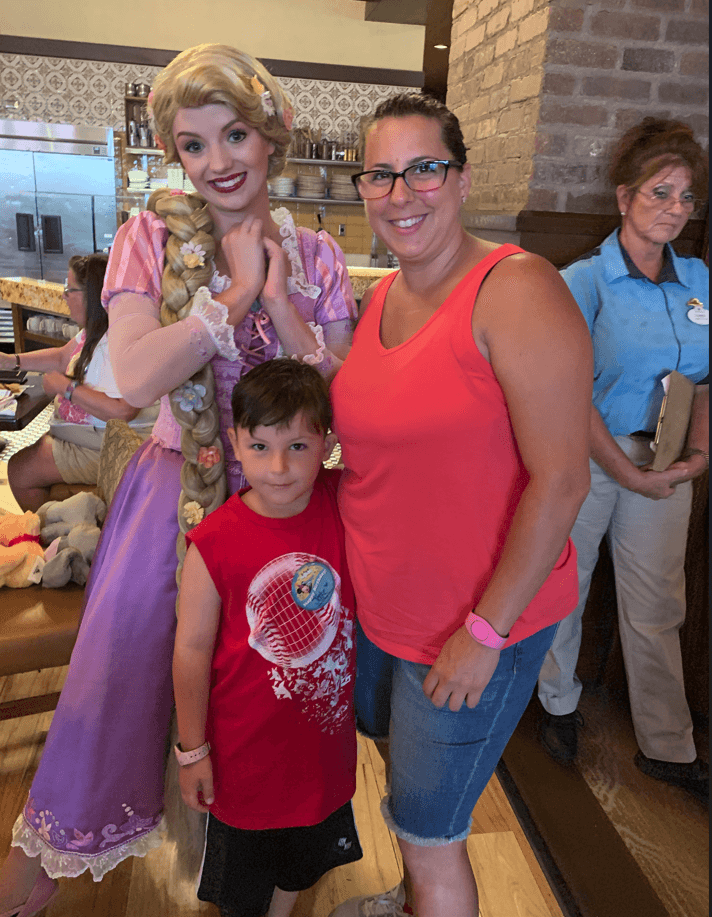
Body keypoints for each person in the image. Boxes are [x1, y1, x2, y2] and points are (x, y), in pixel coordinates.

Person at [0, 43, 356, 917]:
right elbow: (131, 380)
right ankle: (24, 893)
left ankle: (253, 887)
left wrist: (275, 299)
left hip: (284, 506)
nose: (218, 161)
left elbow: (340, 396)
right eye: (193, 145)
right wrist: (232, 294)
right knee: (113, 689)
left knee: (273, 697)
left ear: (272, 135)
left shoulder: (317, 255)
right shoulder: (147, 238)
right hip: (173, 498)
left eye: (235, 134)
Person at [329, 94, 593, 917]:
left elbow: (562, 481)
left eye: (424, 169)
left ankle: (426, 897)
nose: (402, 193)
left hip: (475, 624)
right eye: (382, 173)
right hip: (385, 612)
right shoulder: (385, 299)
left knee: (433, 829)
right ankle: (413, 897)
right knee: (415, 809)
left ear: (462, 176)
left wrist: (485, 632)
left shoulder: (515, 289)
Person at [536, 118, 709, 799]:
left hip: (665, 459)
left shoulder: (698, 281)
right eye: (659, 192)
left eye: (685, 197)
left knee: (659, 603)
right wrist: (626, 469)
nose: (673, 208)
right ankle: (557, 705)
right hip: (585, 457)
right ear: (623, 196)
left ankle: (667, 744)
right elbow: (564, 395)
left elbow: (704, 380)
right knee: (564, 590)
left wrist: (698, 453)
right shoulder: (583, 281)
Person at [174, 359, 362, 917]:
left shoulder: (341, 499)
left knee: (301, 863)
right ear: (234, 443)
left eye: (298, 447)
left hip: (322, 753)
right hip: (242, 760)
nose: (279, 467)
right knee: (243, 886)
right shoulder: (214, 541)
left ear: (325, 442)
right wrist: (192, 752)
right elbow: (190, 651)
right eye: (260, 447)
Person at [2, 254, 156, 512]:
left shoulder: (115, 342)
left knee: (18, 470)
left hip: (110, 445)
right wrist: (12, 360)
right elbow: (63, 356)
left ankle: (46, 534)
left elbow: (124, 410)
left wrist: (67, 388)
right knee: (30, 455)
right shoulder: (96, 330)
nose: (64, 296)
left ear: (90, 295)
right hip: (89, 436)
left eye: (69, 290)